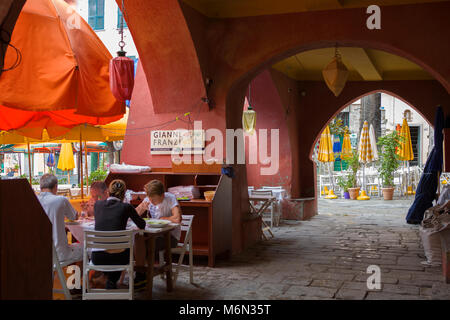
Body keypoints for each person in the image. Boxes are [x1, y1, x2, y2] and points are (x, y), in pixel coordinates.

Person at [92, 179, 146, 289]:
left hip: (97, 258)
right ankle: (111, 281)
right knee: (122, 251)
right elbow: (142, 225)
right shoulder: (126, 207)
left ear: (108, 192)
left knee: (112, 251)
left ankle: (108, 280)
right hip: (119, 258)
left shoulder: (97, 205)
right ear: (124, 193)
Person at [37, 173, 82, 263]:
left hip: (39, 253)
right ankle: (86, 276)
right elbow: (74, 216)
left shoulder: (34, 200)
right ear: (55, 187)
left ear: (40, 187)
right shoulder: (61, 200)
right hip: (59, 254)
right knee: (85, 248)